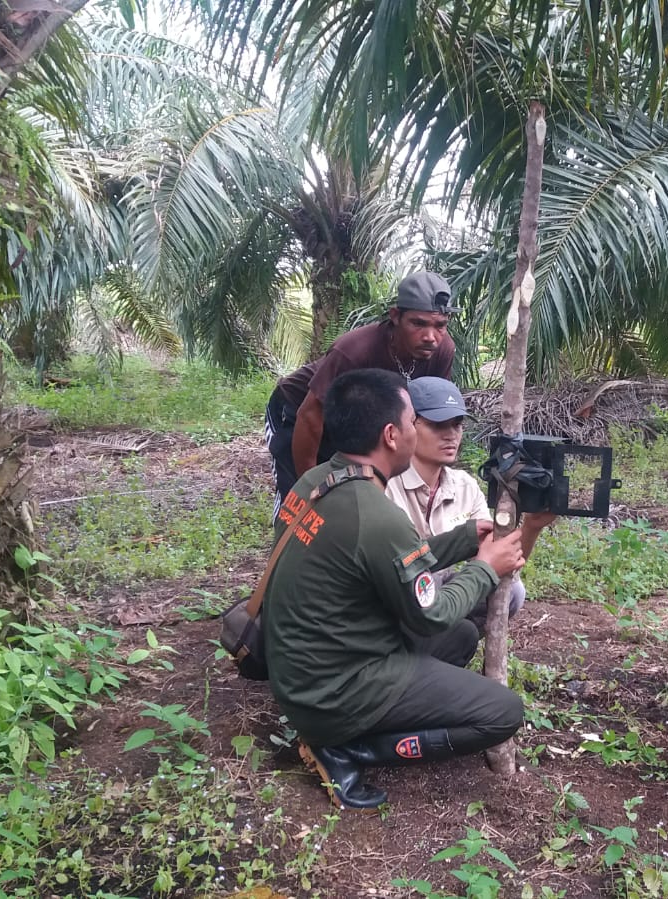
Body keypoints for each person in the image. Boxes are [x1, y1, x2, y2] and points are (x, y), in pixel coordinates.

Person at [264, 369, 528, 809]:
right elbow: (432, 612)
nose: (416, 431)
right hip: (334, 690)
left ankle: (349, 729)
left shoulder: (314, 483)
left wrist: (464, 538)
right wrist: (484, 568)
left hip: (302, 674)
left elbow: (388, 559)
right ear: (391, 435)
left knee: (462, 638)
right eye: (413, 423)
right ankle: (351, 749)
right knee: (503, 712)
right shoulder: (376, 514)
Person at [264, 271, 457, 508]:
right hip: (295, 411)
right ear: (395, 316)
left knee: (350, 498)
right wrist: (311, 489)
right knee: (296, 502)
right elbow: (310, 415)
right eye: (418, 323)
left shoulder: (443, 350)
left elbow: (427, 416)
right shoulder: (355, 351)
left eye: (440, 325)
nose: (430, 337)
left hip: (353, 422)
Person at [385, 377, 555, 628]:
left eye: (457, 424)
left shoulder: (465, 486)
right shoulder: (387, 485)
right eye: (438, 425)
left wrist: (531, 527)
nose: (451, 435)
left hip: (441, 595)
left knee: (512, 592)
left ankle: (447, 648)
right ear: (407, 424)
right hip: (397, 598)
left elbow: (500, 561)